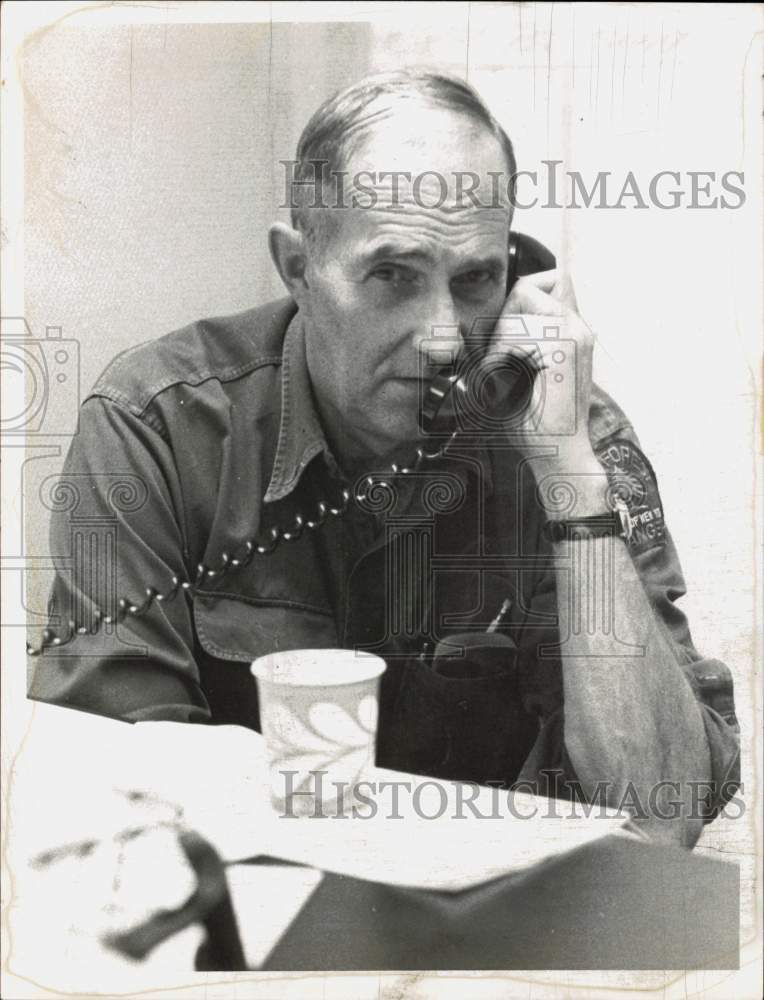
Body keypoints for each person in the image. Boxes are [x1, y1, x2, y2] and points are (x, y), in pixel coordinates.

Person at [29, 70, 739, 844]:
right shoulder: (158, 424)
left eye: (475, 282)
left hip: (497, 934)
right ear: (297, 268)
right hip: (247, 921)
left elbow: (663, 815)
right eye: (392, 276)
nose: (441, 336)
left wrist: (568, 474)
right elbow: (112, 795)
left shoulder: (569, 434)